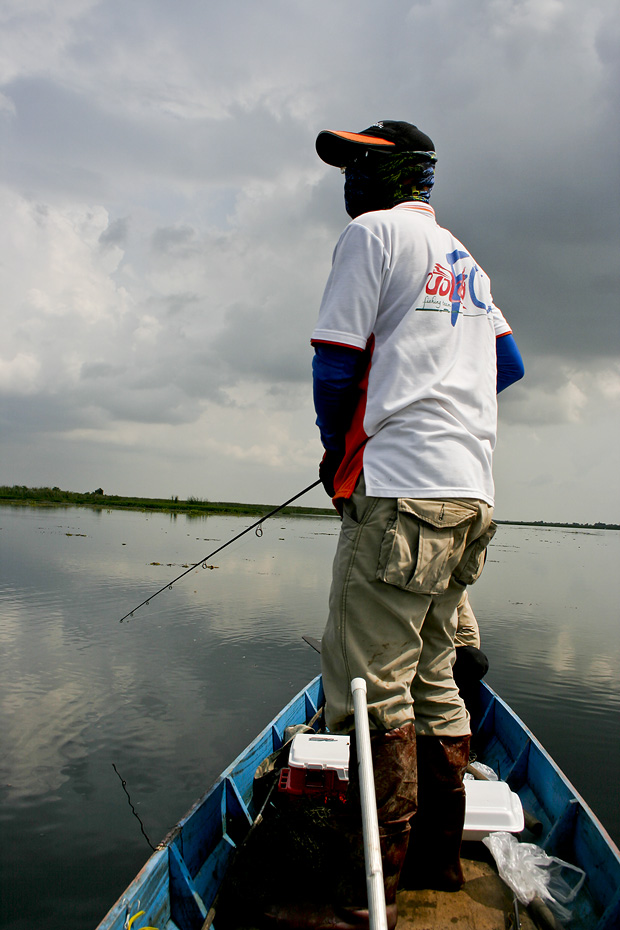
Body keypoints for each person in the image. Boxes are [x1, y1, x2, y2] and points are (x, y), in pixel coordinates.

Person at [303, 120, 524, 929]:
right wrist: (439, 399)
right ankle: (437, 866)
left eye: (357, 162)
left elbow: (334, 362)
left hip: (400, 494)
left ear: (393, 171)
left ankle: (368, 900)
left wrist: (340, 452)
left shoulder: (372, 235)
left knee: (368, 692)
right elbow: (508, 365)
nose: (348, 179)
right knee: (436, 679)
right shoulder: (466, 258)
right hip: (471, 499)